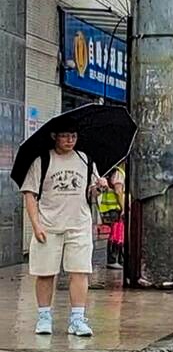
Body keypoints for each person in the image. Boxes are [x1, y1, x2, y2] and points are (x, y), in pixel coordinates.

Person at [21, 127, 108, 336]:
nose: (70, 140)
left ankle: (77, 319)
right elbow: (30, 195)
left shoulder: (86, 160)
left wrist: (100, 187)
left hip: (79, 225)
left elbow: (91, 192)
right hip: (48, 225)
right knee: (45, 273)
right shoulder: (41, 161)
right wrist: (36, 225)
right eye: (65, 136)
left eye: (74, 136)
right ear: (54, 137)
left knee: (79, 272)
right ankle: (44, 317)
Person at [99, 165, 127, 269]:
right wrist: (123, 207)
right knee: (116, 234)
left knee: (118, 234)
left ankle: (118, 259)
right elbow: (118, 191)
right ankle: (113, 259)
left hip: (112, 208)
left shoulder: (113, 171)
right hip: (115, 208)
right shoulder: (119, 172)